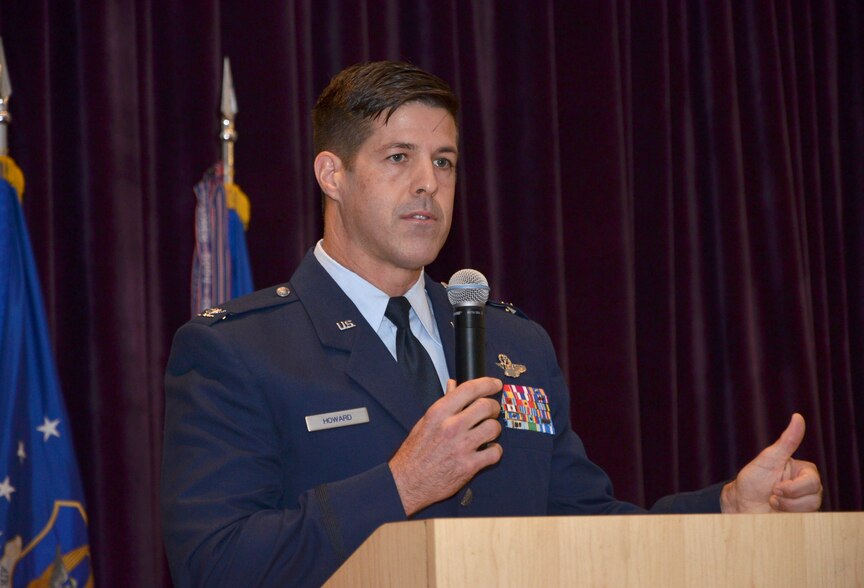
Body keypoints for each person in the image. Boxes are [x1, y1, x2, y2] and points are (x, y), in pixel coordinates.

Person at [161, 61, 822, 587]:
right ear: (332, 173)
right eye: (399, 158)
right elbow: (216, 565)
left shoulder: (511, 342)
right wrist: (400, 486)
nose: (428, 184)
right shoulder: (237, 350)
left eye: (443, 162)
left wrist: (727, 510)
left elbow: (585, 528)